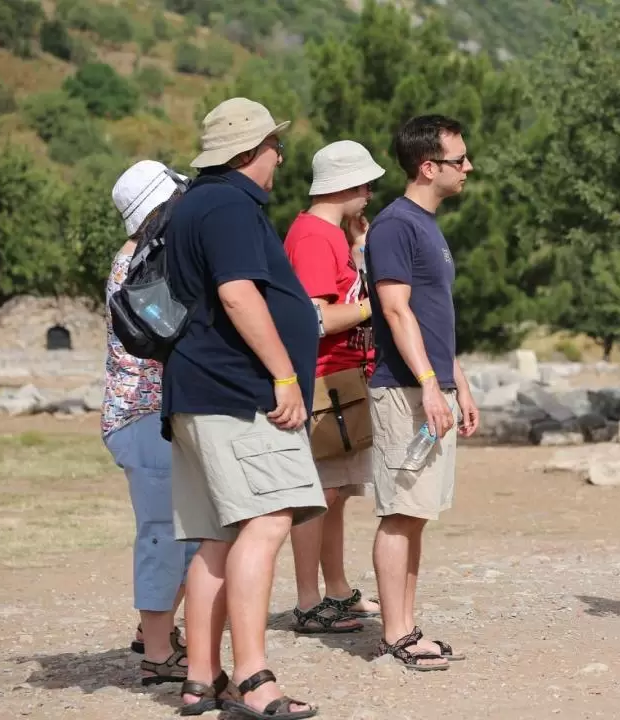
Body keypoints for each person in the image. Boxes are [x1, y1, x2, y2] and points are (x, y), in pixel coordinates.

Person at [164, 97, 326, 719]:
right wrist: (283, 374)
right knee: (268, 521)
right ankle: (254, 679)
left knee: (215, 536)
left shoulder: (193, 203)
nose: (280, 159)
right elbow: (236, 293)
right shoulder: (230, 204)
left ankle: (202, 679)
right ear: (249, 153)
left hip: (197, 390)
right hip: (237, 393)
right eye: (273, 147)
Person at [364, 115, 479, 671]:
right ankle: (394, 634)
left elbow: (435, 316)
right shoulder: (395, 226)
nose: (469, 168)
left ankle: (407, 625)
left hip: (433, 388)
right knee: (399, 511)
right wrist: (431, 386)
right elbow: (394, 309)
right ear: (428, 166)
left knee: (418, 512)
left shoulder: (428, 225)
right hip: (404, 392)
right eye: (460, 160)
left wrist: (459, 383)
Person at [283, 140, 386, 633]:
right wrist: (376, 309)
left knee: (338, 492)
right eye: (364, 184)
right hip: (325, 382)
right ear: (343, 185)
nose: (369, 192)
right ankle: (309, 601)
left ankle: (338, 589)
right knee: (318, 493)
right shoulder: (312, 238)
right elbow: (317, 316)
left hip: (342, 381)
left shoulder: (331, 235)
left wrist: (360, 248)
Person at [104, 159, 198, 686]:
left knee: (182, 531)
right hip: (143, 416)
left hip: (143, 416)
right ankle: (159, 652)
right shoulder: (138, 269)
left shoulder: (140, 260)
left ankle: (154, 630)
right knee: (165, 533)